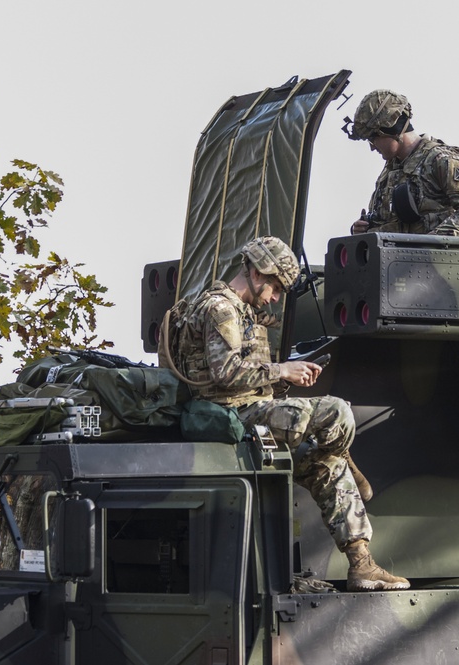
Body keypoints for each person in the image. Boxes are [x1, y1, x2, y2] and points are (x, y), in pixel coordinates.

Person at [162, 236, 410, 592]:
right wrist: (283, 371)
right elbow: (225, 373)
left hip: (249, 411)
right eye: (275, 288)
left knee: (327, 466)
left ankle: (362, 565)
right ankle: (344, 452)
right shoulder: (221, 309)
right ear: (257, 273)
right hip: (232, 416)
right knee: (338, 411)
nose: (275, 297)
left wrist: (281, 378)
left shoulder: (240, 311)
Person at [344, 89, 459, 237]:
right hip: (397, 258)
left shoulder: (442, 160)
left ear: (392, 130)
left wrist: (431, 244)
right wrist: (364, 229)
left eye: (373, 138)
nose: (372, 146)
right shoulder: (390, 171)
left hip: (436, 258)